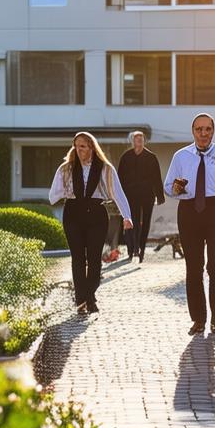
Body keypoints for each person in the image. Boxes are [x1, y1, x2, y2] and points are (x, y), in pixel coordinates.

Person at [164, 113, 215, 336]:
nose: (203, 133)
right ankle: (198, 319)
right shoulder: (181, 156)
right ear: (193, 131)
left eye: (207, 129)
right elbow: (168, 186)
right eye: (199, 129)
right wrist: (176, 189)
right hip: (189, 211)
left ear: (213, 131)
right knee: (194, 267)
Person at [49, 131, 134, 315]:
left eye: (83, 146)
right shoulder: (66, 169)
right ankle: (82, 300)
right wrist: (64, 188)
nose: (79, 150)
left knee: (94, 258)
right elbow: (52, 196)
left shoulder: (105, 168)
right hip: (73, 212)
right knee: (78, 258)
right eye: (76, 146)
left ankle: (89, 295)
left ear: (92, 148)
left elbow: (118, 193)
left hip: (96, 213)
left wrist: (127, 216)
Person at [117, 130, 165, 264]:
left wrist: (160, 195)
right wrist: (118, 196)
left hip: (147, 195)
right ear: (132, 141)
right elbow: (119, 178)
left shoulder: (151, 157)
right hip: (130, 195)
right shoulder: (126, 157)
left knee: (145, 223)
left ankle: (141, 251)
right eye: (136, 138)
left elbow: (157, 178)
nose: (139, 140)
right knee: (133, 222)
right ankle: (132, 250)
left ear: (144, 141)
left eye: (141, 138)